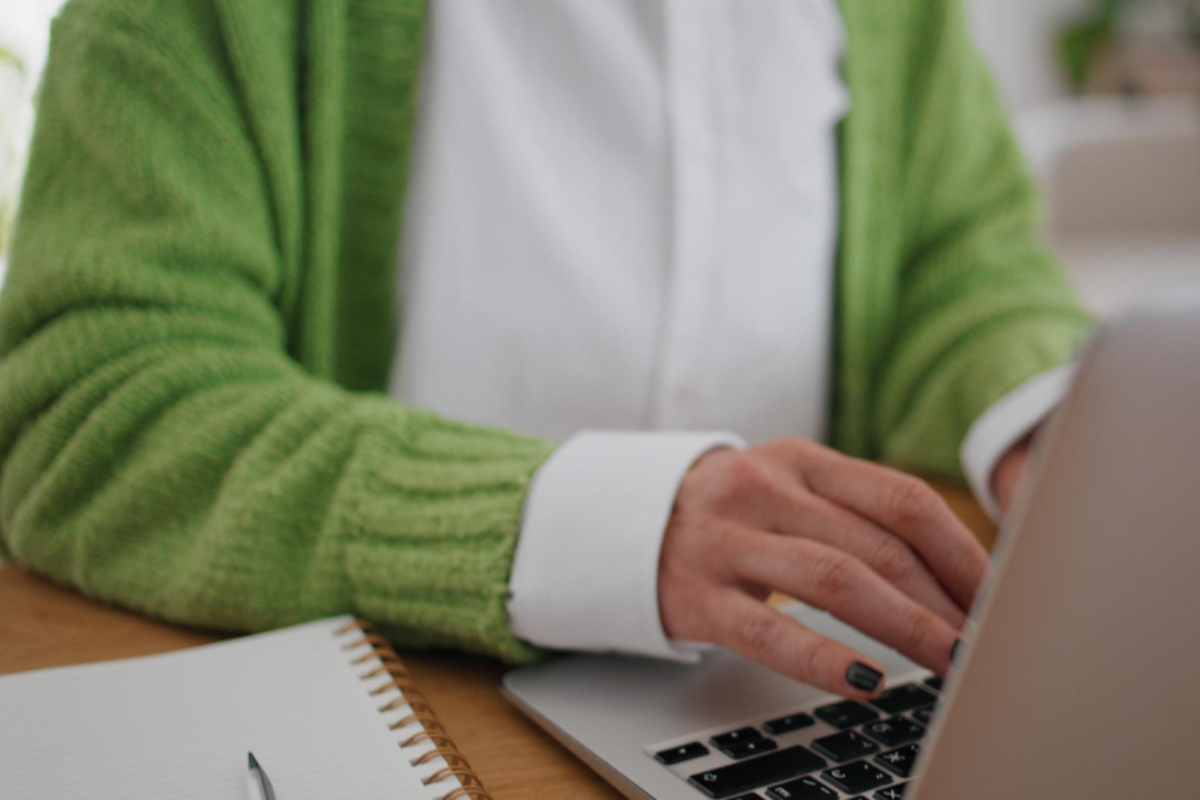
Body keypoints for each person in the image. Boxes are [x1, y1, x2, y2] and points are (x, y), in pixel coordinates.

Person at [0, 0, 1090, 701]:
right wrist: (613, 525)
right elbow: (99, 401)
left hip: (783, 689)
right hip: (397, 708)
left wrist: (1043, 419)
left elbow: (954, 263)